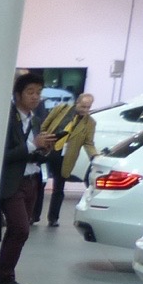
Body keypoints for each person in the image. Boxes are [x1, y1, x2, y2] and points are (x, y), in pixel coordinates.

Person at [0, 72, 55, 284]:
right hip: (11, 182)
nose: (35, 97)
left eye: (38, 92)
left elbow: (33, 154)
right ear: (17, 94)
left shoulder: (36, 120)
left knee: (20, 231)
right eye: (30, 92)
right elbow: (1, 155)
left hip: (31, 180)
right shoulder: (7, 119)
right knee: (20, 228)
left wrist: (44, 150)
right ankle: (3, 279)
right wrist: (32, 146)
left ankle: (6, 278)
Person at [42, 92, 97, 227]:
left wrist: (95, 156)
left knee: (59, 187)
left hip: (66, 157)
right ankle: (33, 215)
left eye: (88, 107)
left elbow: (89, 143)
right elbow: (44, 126)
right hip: (48, 150)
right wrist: (42, 140)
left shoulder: (90, 123)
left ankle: (53, 218)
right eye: (83, 106)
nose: (85, 110)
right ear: (77, 103)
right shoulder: (60, 109)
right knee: (39, 183)